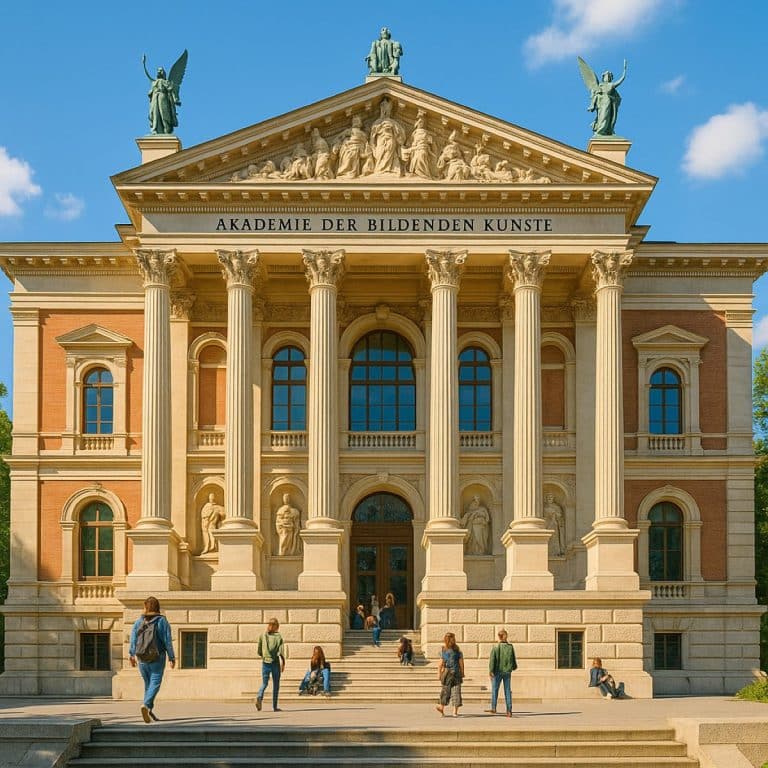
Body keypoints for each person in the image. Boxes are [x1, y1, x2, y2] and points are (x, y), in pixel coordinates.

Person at [128, 596, 175, 724]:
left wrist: (131, 655)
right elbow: (167, 640)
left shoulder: (139, 621)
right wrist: (171, 657)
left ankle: (148, 710)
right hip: (157, 657)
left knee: (148, 684)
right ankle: (146, 705)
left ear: (145, 607)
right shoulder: (161, 621)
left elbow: (133, 639)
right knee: (155, 682)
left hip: (141, 657)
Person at [486, 629, 517, 717]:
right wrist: (513, 667)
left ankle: (494, 708)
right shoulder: (510, 647)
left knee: (494, 690)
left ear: (499, 637)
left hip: (497, 671)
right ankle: (509, 710)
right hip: (507, 671)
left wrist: (491, 671)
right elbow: (513, 659)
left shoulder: (495, 647)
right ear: (505, 636)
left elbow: (492, 660)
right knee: (507, 690)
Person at [256, 617, 285, 712]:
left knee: (264, 683)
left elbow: (259, 651)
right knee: (276, 685)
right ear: (276, 626)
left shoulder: (262, 636)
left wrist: (265, 656)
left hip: (265, 663)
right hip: (275, 663)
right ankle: (275, 706)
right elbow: (281, 652)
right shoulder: (278, 637)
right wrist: (283, 663)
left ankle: (259, 696)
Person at [436, 632, 464, 717]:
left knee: (447, 691)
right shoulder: (457, 650)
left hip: (448, 672)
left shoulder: (445, 650)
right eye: (453, 638)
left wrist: (439, 673)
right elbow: (461, 663)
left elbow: (440, 664)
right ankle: (453, 712)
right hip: (454, 672)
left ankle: (443, 708)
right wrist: (462, 672)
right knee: (453, 691)